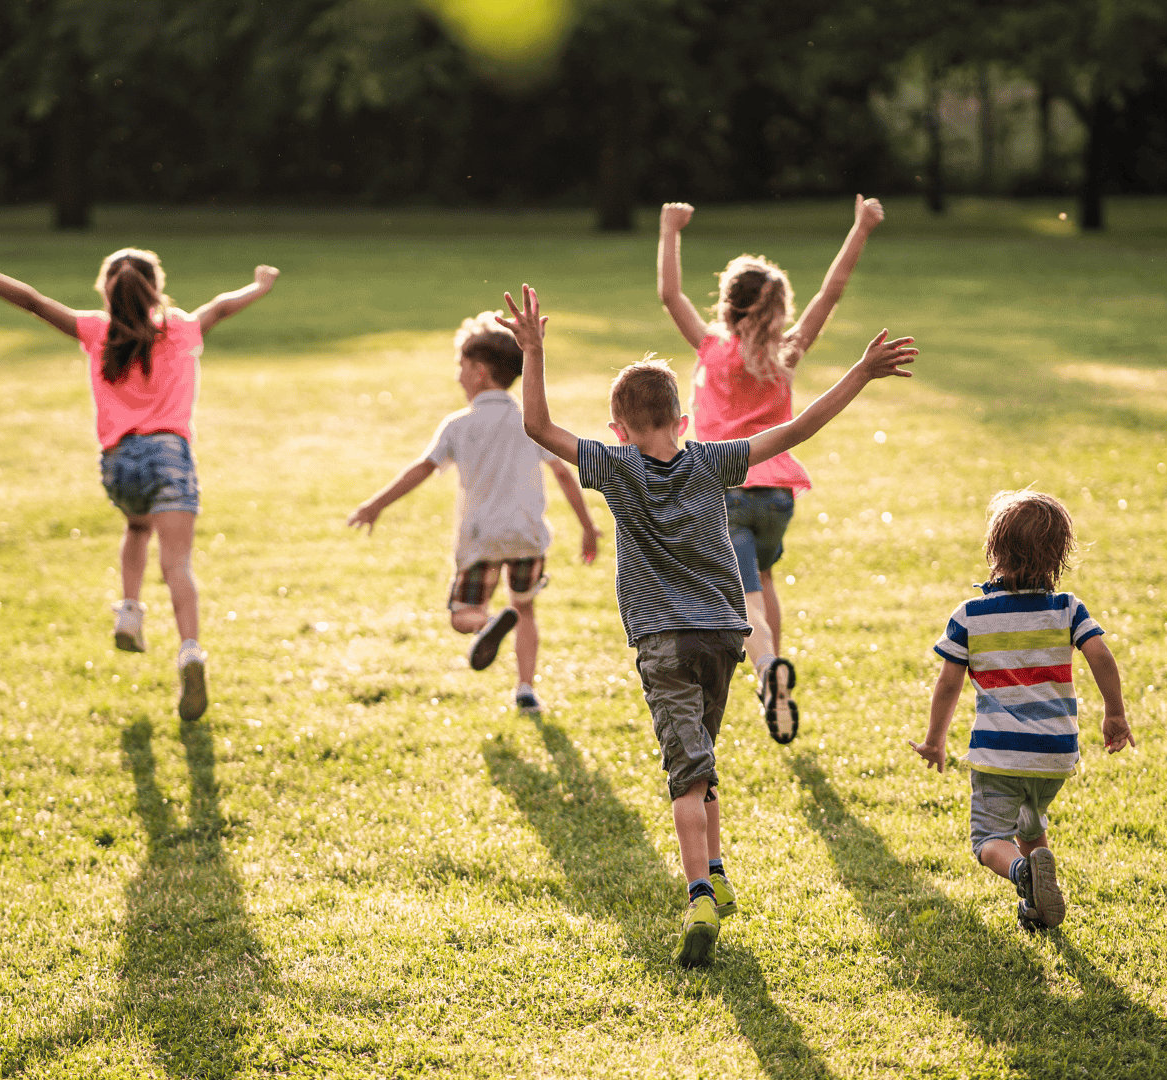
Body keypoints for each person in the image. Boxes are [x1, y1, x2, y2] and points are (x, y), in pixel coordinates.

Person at [504, 283, 915, 967]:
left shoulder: (614, 465)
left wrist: (535, 352)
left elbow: (539, 430)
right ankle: (718, 870)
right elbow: (798, 429)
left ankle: (696, 889)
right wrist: (861, 373)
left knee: (685, 772)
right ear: (684, 418)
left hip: (661, 641)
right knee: (704, 760)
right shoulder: (712, 460)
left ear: (619, 427)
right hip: (725, 636)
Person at [0, 231, 276, 723]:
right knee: (177, 566)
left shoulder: (96, 331)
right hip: (170, 454)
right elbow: (223, 306)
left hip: (118, 464)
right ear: (156, 290)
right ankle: (189, 650)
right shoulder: (182, 328)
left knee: (136, 526)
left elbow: (33, 302)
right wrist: (258, 287)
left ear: (107, 290)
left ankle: (129, 609)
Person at [656, 195, 885, 745]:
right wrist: (859, 227)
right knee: (764, 580)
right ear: (777, 309)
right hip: (778, 494)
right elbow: (832, 292)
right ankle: (773, 678)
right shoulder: (788, 352)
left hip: (723, 489)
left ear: (728, 308)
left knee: (743, 599)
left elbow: (669, 295)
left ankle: (766, 671)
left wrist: (670, 230)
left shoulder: (712, 347)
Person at [347, 311, 598, 710]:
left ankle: (487, 622)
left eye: (460, 367)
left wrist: (376, 504)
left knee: (461, 616)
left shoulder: (458, 425)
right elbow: (566, 476)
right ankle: (526, 689)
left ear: (479, 371)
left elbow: (422, 469)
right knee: (526, 608)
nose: (457, 376)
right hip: (527, 534)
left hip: (481, 537)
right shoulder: (531, 421)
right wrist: (587, 527)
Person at [910, 490, 1133, 932]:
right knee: (1030, 823)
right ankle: (1036, 905)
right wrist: (1114, 713)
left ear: (994, 550)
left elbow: (948, 683)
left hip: (999, 754)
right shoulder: (1068, 608)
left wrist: (935, 740)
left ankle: (1020, 872)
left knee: (989, 839)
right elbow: (1102, 656)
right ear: (1059, 555)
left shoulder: (971, 615)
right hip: (1054, 754)